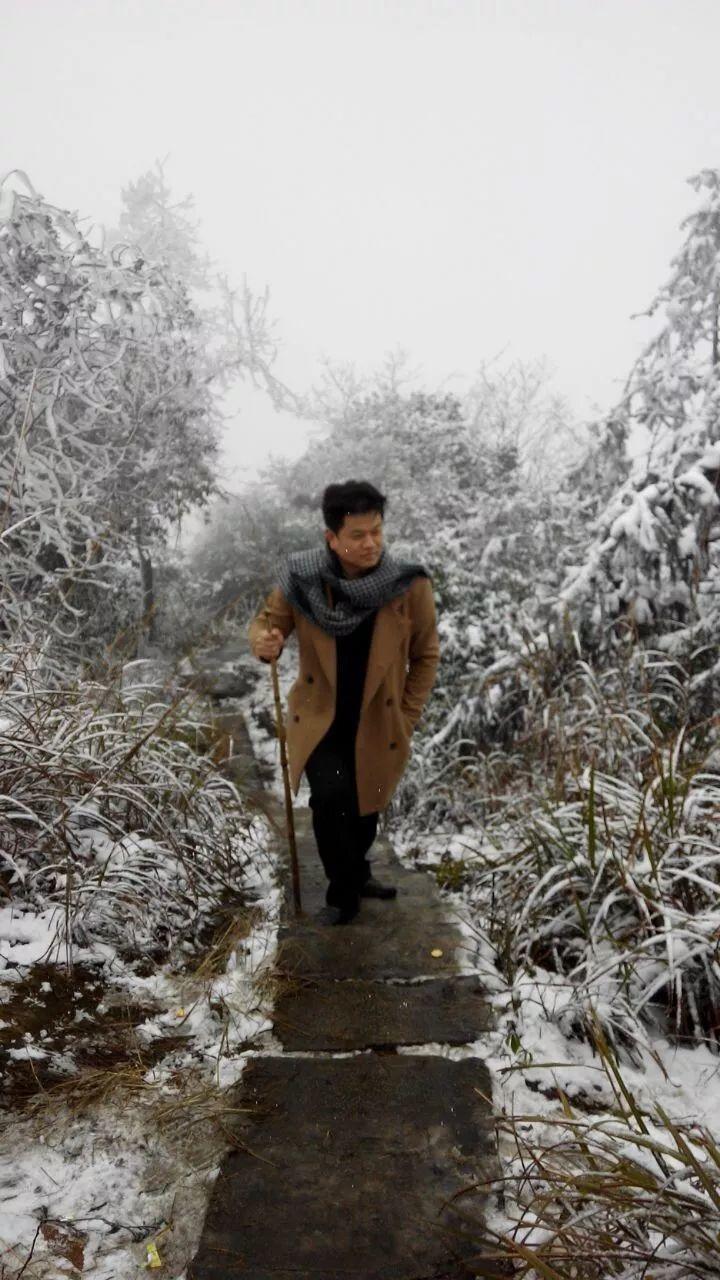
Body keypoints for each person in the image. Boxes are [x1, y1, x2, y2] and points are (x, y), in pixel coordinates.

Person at [248, 479, 440, 925]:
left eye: (377, 531)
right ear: (331, 538)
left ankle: (358, 869)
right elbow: (265, 624)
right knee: (331, 798)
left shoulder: (408, 585)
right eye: (358, 535)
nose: (371, 543)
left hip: (378, 718)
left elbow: (425, 655)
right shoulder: (303, 579)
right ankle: (344, 893)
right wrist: (266, 642)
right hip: (322, 717)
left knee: (366, 804)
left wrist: (407, 717)